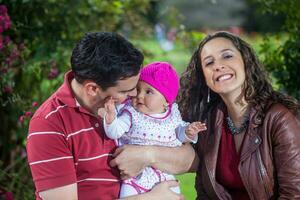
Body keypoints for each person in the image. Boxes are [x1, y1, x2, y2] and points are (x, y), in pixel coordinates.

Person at [26, 32, 191, 200]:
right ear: (92, 89)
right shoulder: (49, 125)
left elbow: (192, 159)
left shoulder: (131, 104)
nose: (135, 94)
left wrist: (147, 155)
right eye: (125, 91)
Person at [177, 31, 300, 199]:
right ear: (204, 77)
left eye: (227, 56)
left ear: (245, 61)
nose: (218, 66)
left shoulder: (278, 119)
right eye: (209, 62)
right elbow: (204, 193)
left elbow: (294, 194)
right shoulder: (208, 123)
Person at [102, 61, 206, 198]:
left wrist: (188, 132)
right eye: (138, 90)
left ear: (166, 101)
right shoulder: (132, 113)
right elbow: (114, 131)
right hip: (133, 176)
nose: (139, 96)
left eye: (148, 92)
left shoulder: (172, 116)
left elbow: (180, 135)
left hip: (164, 174)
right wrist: (111, 118)